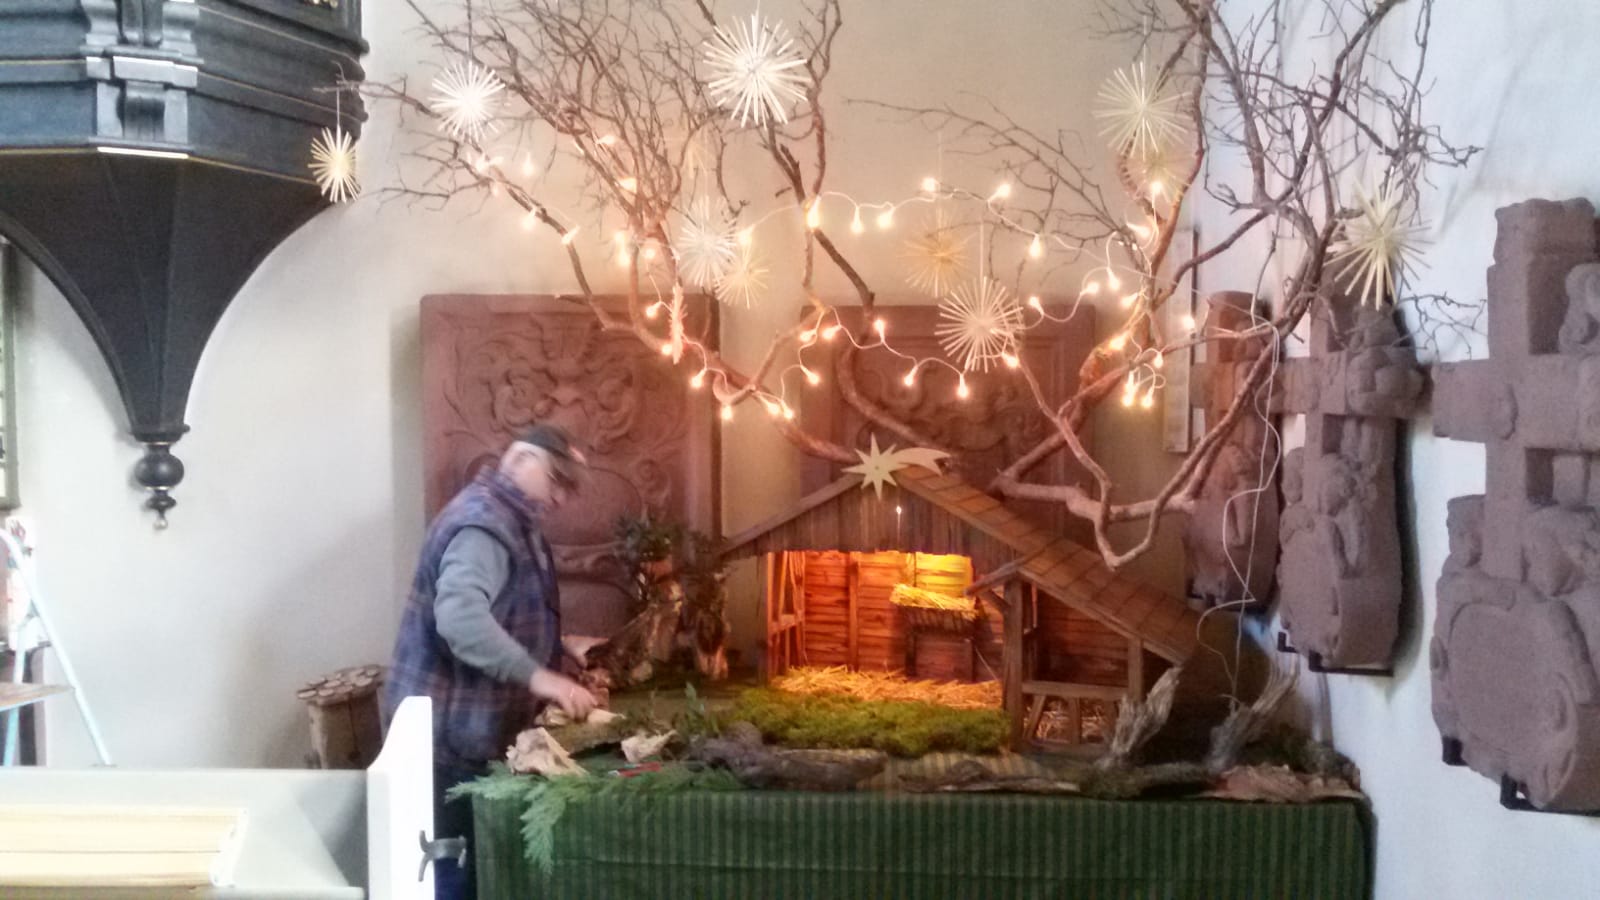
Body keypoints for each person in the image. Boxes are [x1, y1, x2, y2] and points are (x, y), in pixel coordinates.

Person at [382, 423, 602, 900]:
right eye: (558, 481)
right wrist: (543, 678)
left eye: (570, 488)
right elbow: (460, 620)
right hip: (446, 742)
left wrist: (557, 644)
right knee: (453, 871)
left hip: (463, 733)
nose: (562, 498)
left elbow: (501, 606)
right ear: (521, 459)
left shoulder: (511, 518)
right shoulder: (483, 525)